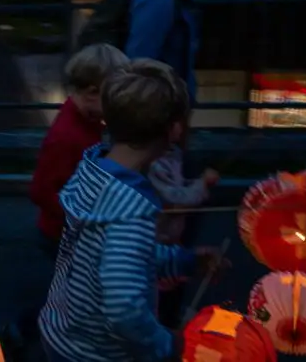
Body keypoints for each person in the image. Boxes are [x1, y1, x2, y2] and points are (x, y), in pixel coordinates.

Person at [38, 60, 223, 362]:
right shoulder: (130, 214)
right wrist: (167, 345)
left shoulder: (94, 171)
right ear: (174, 129)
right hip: (95, 353)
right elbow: (125, 309)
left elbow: (113, 256)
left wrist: (184, 261)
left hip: (63, 331)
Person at [30, 43, 130, 252]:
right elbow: (41, 191)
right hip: (63, 235)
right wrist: (82, 217)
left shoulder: (86, 121)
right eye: (113, 97)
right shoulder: (66, 137)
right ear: (93, 92)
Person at [148, 117, 220, 329]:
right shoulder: (155, 161)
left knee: (171, 281)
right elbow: (176, 199)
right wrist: (203, 184)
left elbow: (178, 187)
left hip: (170, 236)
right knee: (161, 285)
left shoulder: (171, 154)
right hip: (159, 236)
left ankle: (169, 322)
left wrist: (197, 183)